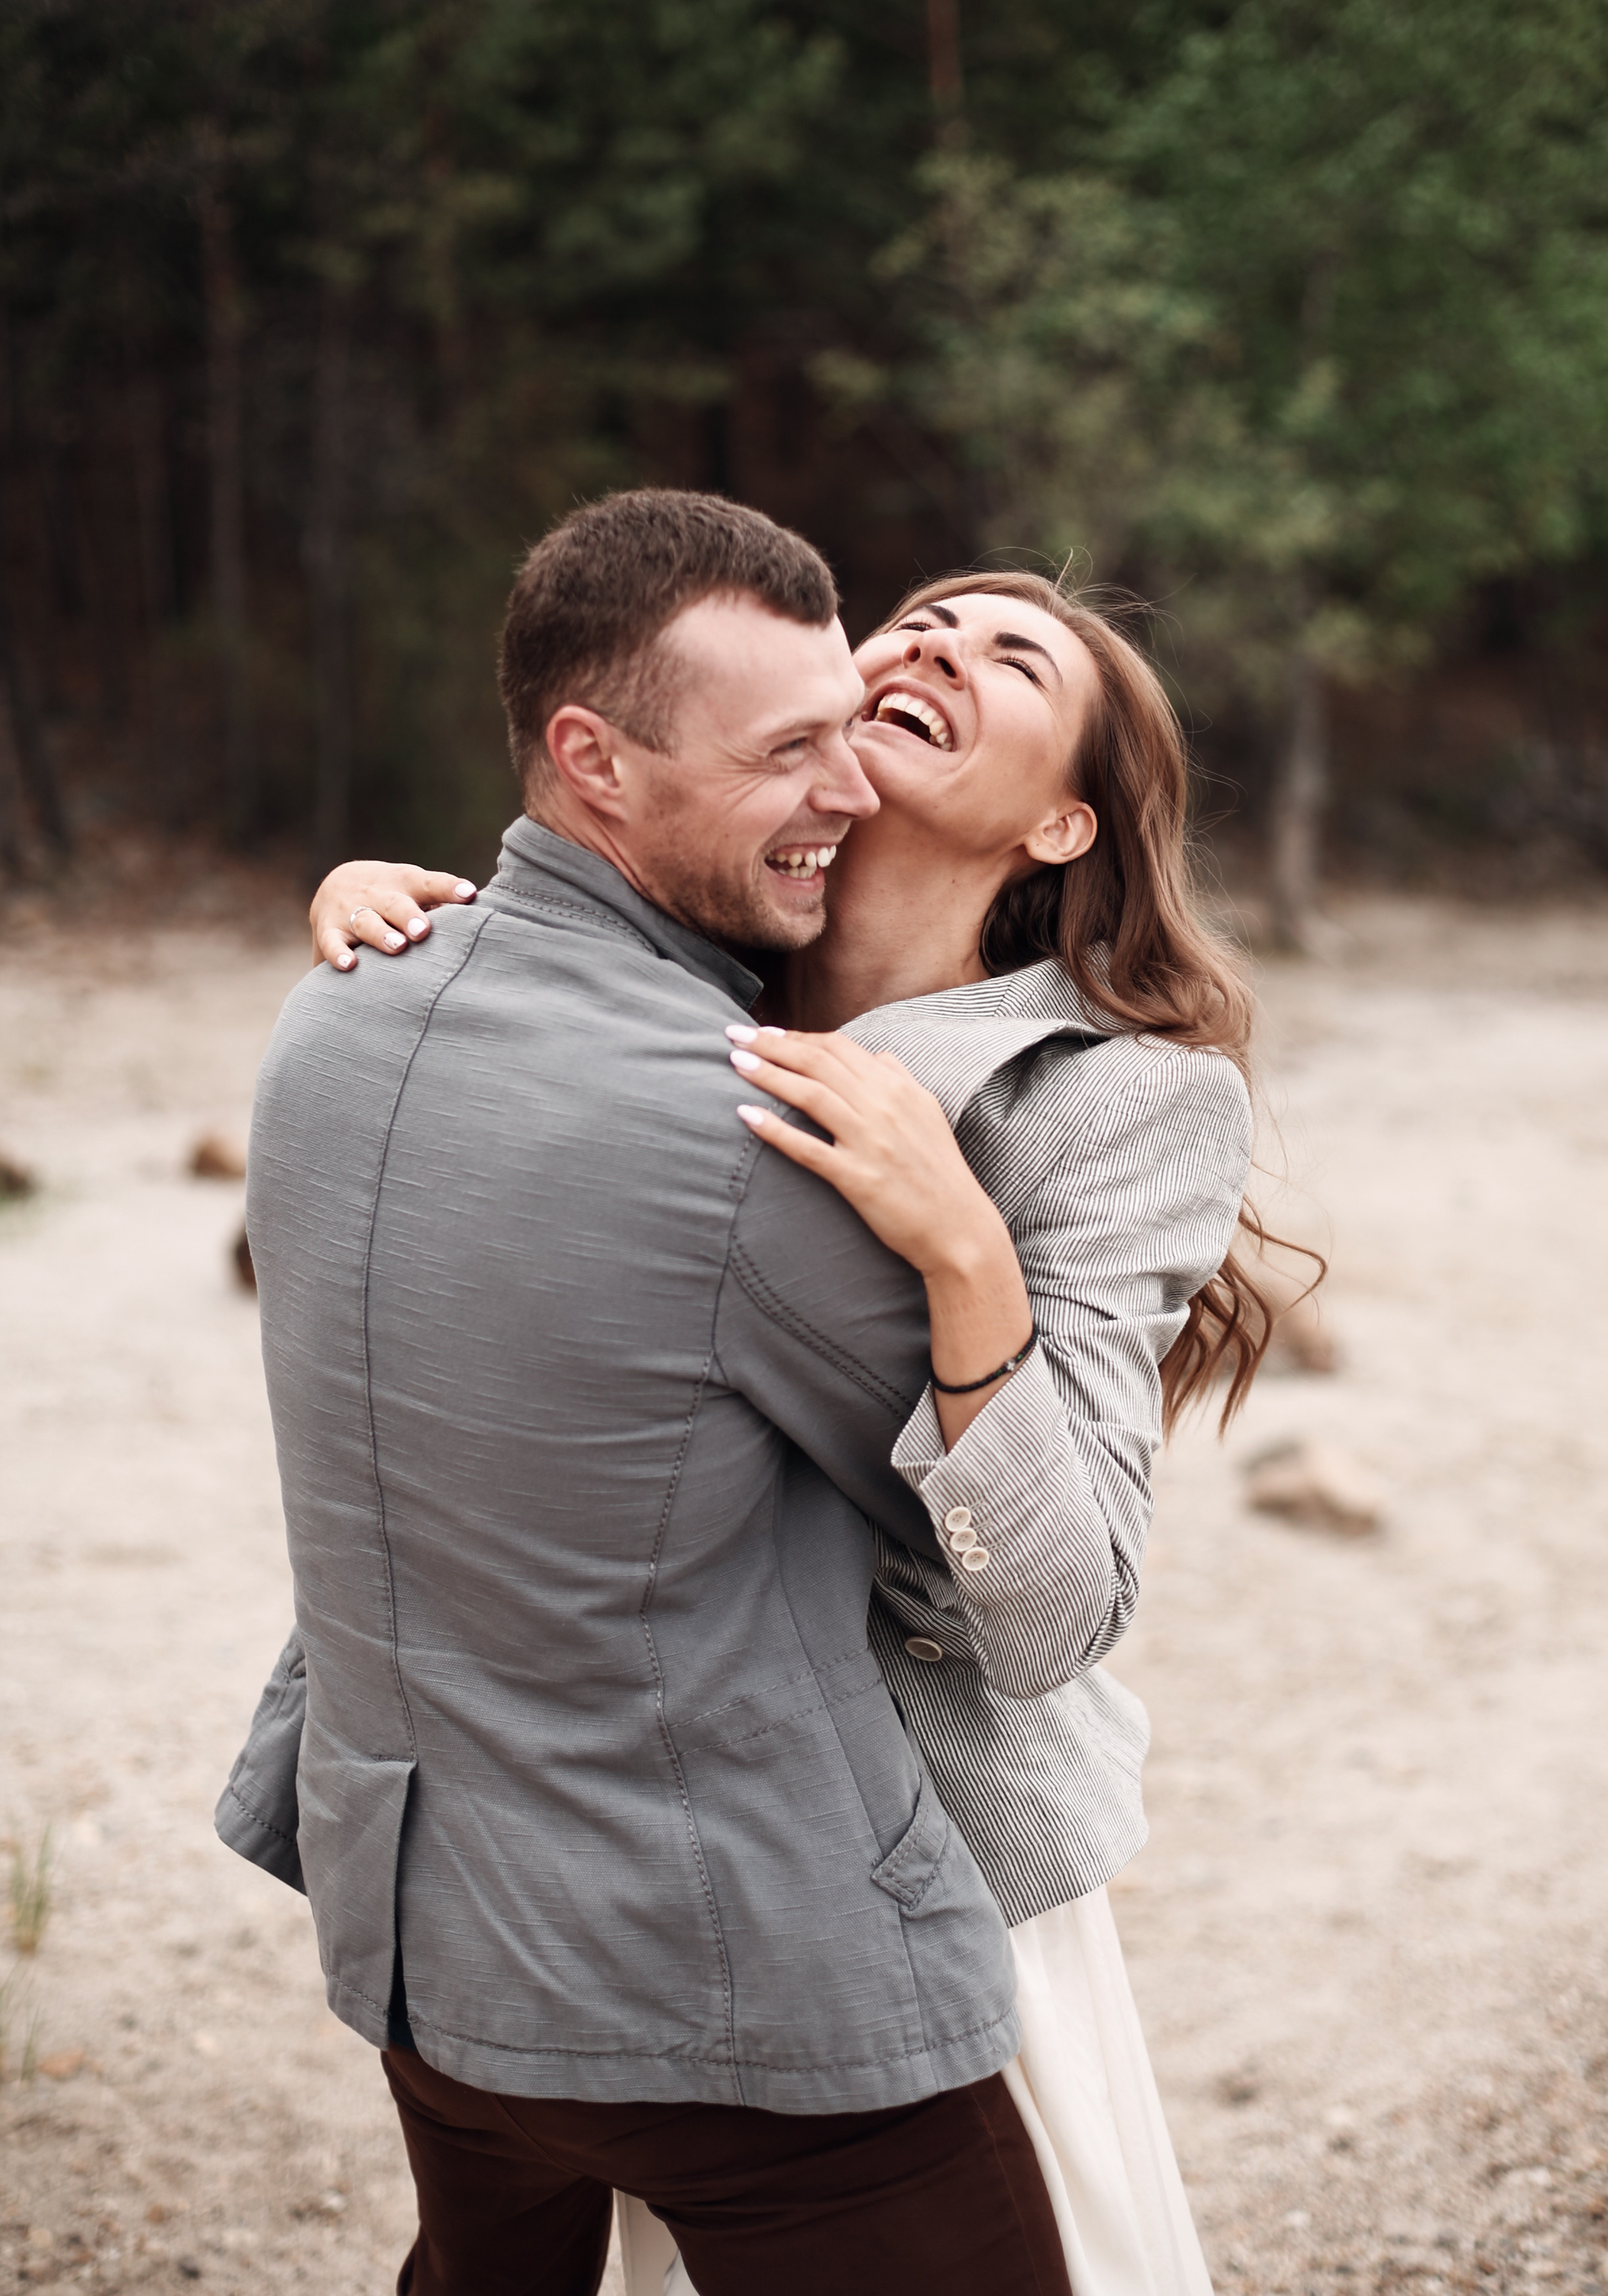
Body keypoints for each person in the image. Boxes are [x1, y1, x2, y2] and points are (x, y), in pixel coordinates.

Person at [295, 542, 1275, 2296]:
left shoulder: (1123, 1102)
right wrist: (410, 912)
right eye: (924, 624)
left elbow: (1055, 1619)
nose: (942, 646)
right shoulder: (690, 976)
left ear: (1064, 827)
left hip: (926, 1874)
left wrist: (966, 1254)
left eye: (1013, 663)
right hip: (605, 1861)